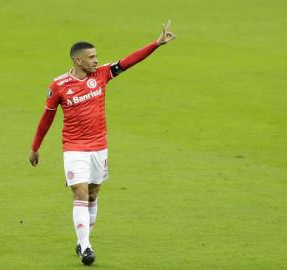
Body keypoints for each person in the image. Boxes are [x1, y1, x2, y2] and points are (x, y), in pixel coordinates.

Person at [28, 20, 176, 266]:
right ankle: (86, 248)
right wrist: (35, 147)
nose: (97, 60)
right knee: (80, 192)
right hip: (74, 148)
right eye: (92, 57)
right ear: (78, 60)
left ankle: (83, 239)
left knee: (93, 195)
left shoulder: (102, 74)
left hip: (99, 147)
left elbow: (128, 61)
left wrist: (156, 44)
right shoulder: (59, 86)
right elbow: (46, 118)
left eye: (96, 56)